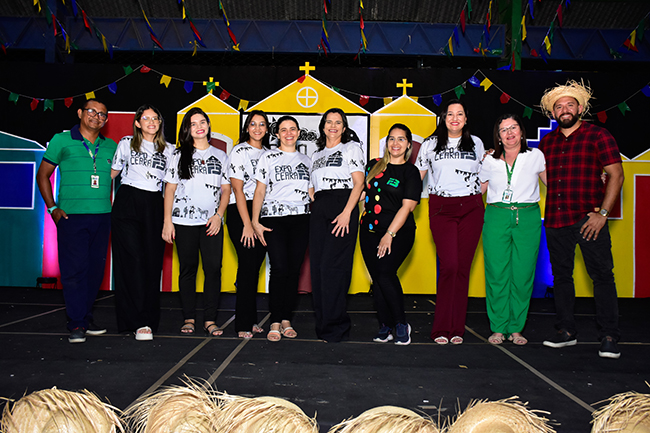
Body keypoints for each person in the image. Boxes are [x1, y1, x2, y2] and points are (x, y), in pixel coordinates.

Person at [538, 80, 624, 359]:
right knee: (561, 277)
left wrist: (603, 214)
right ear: (553, 113)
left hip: (589, 219)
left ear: (580, 109)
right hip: (556, 219)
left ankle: (609, 335)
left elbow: (616, 174)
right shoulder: (547, 142)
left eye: (570, 105)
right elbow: (546, 177)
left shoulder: (598, 135)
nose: (564, 110)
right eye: (559, 106)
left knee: (602, 276)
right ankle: (566, 331)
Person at [36, 98, 117, 344]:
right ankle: (76, 323)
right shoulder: (61, 140)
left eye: (102, 114)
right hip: (71, 217)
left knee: (94, 272)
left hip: (102, 217)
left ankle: (85, 317)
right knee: (74, 271)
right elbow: (43, 175)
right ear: (80, 113)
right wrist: (52, 208)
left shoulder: (111, 146)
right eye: (92, 111)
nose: (97, 116)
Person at [415, 99, 485, 345]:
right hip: (442, 208)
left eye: (460, 114)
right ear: (443, 118)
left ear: (466, 119)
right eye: (450, 114)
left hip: (472, 208)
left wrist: (475, 197)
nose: (455, 118)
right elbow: (417, 177)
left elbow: (484, 175)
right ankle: (440, 328)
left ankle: (456, 329)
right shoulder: (430, 144)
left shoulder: (476, 143)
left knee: (463, 268)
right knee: (450, 266)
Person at [162, 107, 230, 337]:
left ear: (208, 125)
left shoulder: (221, 155)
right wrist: (167, 221)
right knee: (187, 269)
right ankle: (189, 318)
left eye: (202, 122)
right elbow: (170, 189)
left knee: (213, 269)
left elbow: (226, 189)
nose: (199, 126)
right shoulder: (178, 155)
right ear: (187, 129)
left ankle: (210, 320)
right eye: (193, 124)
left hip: (211, 222)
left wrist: (219, 215)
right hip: (183, 222)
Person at [479, 114, 546, 346]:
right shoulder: (489, 160)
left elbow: (554, 182)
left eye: (513, 127)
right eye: (504, 129)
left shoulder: (535, 155)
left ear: (521, 131)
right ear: (498, 136)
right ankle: (498, 327)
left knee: (523, 273)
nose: (509, 133)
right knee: (496, 272)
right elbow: (478, 190)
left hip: (527, 216)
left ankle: (516, 328)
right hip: (496, 215)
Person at [110, 104, 174, 341]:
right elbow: (111, 174)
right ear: (137, 123)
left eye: (155, 118)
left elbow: (171, 186)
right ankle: (136, 321)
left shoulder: (170, 150)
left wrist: (168, 220)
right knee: (132, 261)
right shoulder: (126, 143)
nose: (151, 122)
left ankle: (148, 319)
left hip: (154, 203)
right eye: (146, 118)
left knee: (151, 263)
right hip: (128, 201)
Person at [359, 123, 421, 346]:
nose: (396, 143)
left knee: (385, 273)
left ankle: (401, 323)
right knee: (377, 278)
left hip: (398, 233)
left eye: (401, 139)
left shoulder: (410, 172)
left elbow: (408, 207)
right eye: (392, 139)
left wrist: (389, 234)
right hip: (368, 231)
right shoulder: (374, 165)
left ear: (408, 145)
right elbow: (362, 193)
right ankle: (385, 325)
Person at [251, 115, 311, 342]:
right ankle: (275, 320)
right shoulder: (268, 157)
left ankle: (286, 319)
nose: (288, 133)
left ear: (298, 133)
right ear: (276, 134)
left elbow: (312, 191)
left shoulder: (307, 160)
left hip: (301, 219)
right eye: (283, 129)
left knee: (294, 270)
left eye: (292, 129)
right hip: (274, 219)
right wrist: (255, 221)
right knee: (279, 268)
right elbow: (259, 190)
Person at [309, 108, 365, 342]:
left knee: (334, 268)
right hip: (320, 208)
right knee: (318, 268)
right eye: (329, 122)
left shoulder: (351, 148)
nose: (333, 126)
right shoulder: (316, 154)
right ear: (323, 126)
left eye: (338, 122)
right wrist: (315, 199)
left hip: (343, 205)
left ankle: (337, 327)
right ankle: (323, 325)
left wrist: (346, 213)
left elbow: (359, 183)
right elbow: (312, 184)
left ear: (344, 127)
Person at [227, 110, 270, 339]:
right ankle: (242, 324)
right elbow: (237, 189)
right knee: (246, 265)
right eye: (253, 124)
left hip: (262, 211)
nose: (257, 128)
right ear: (246, 128)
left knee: (254, 267)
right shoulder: (239, 151)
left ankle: (251, 319)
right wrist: (247, 223)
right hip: (241, 210)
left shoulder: (270, 153)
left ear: (267, 128)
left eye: (262, 124)